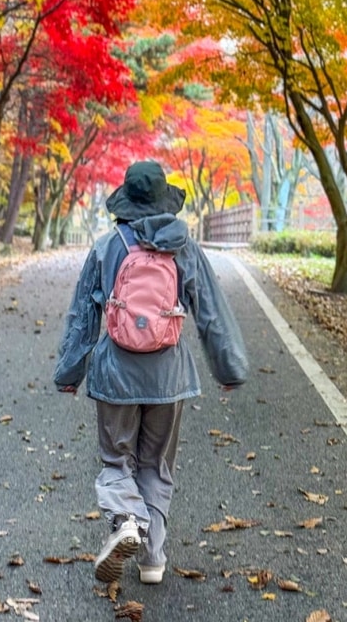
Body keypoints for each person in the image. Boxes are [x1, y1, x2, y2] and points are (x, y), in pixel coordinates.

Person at [54, 160, 248, 585]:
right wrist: (229, 367)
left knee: (117, 459)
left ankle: (125, 519)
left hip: (115, 375)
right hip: (169, 376)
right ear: (165, 199)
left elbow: (82, 316)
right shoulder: (185, 248)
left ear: (126, 200)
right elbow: (211, 312)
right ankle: (153, 558)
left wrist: (69, 372)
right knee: (156, 466)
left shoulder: (108, 246)